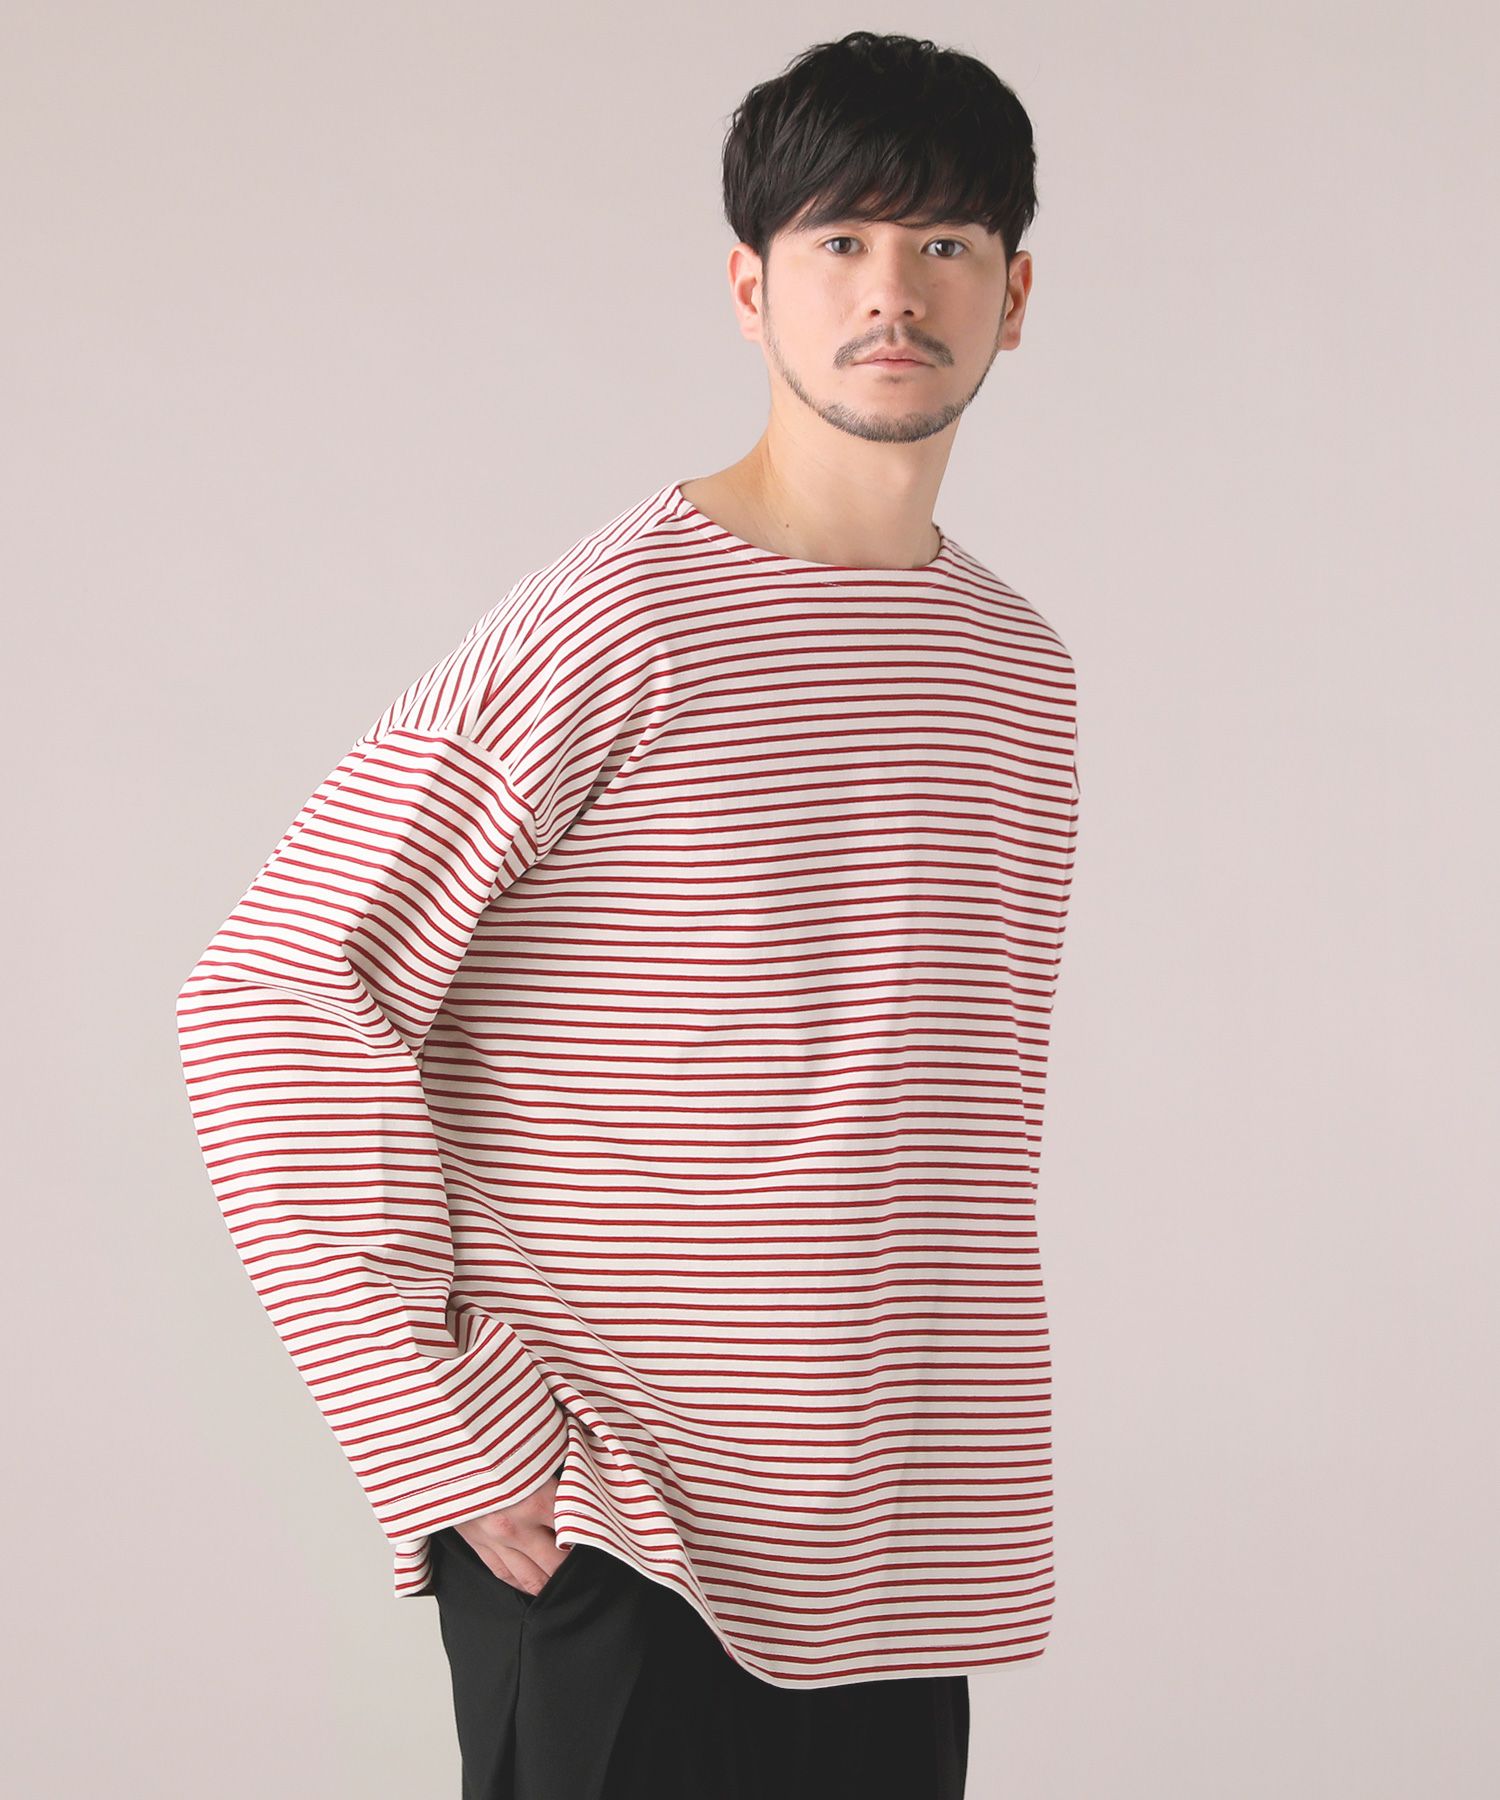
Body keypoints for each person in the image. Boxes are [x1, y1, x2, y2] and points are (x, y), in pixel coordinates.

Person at [175, 28, 1080, 1799]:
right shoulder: (618, 623)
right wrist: (428, 1419)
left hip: (889, 1547)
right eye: (838, 241)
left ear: (1014, 294)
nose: (891, 292)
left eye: (944, 244)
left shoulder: (1015, 672)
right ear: (750, 289)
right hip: (610, 1515)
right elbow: (272, 993)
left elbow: (930, 1112)